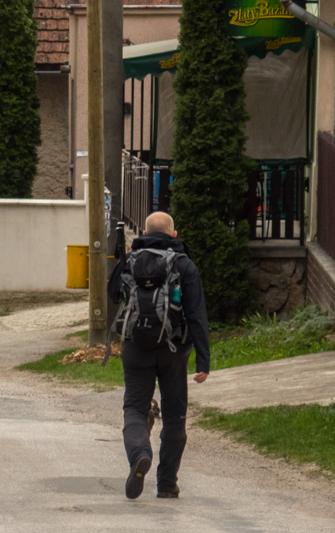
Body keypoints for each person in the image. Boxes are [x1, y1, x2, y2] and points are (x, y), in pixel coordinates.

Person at [108, 211, 210, 500]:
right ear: (173, 235)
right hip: (174, 350)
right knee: (175, 416)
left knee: (135, 409)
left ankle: (140, 453)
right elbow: (196, 315)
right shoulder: (183, 264)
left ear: (143, 231)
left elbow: (113, 294)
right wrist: (203, 360)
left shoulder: (131, 260)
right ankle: (166, 484)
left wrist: (121, 262)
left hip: (136, 348)